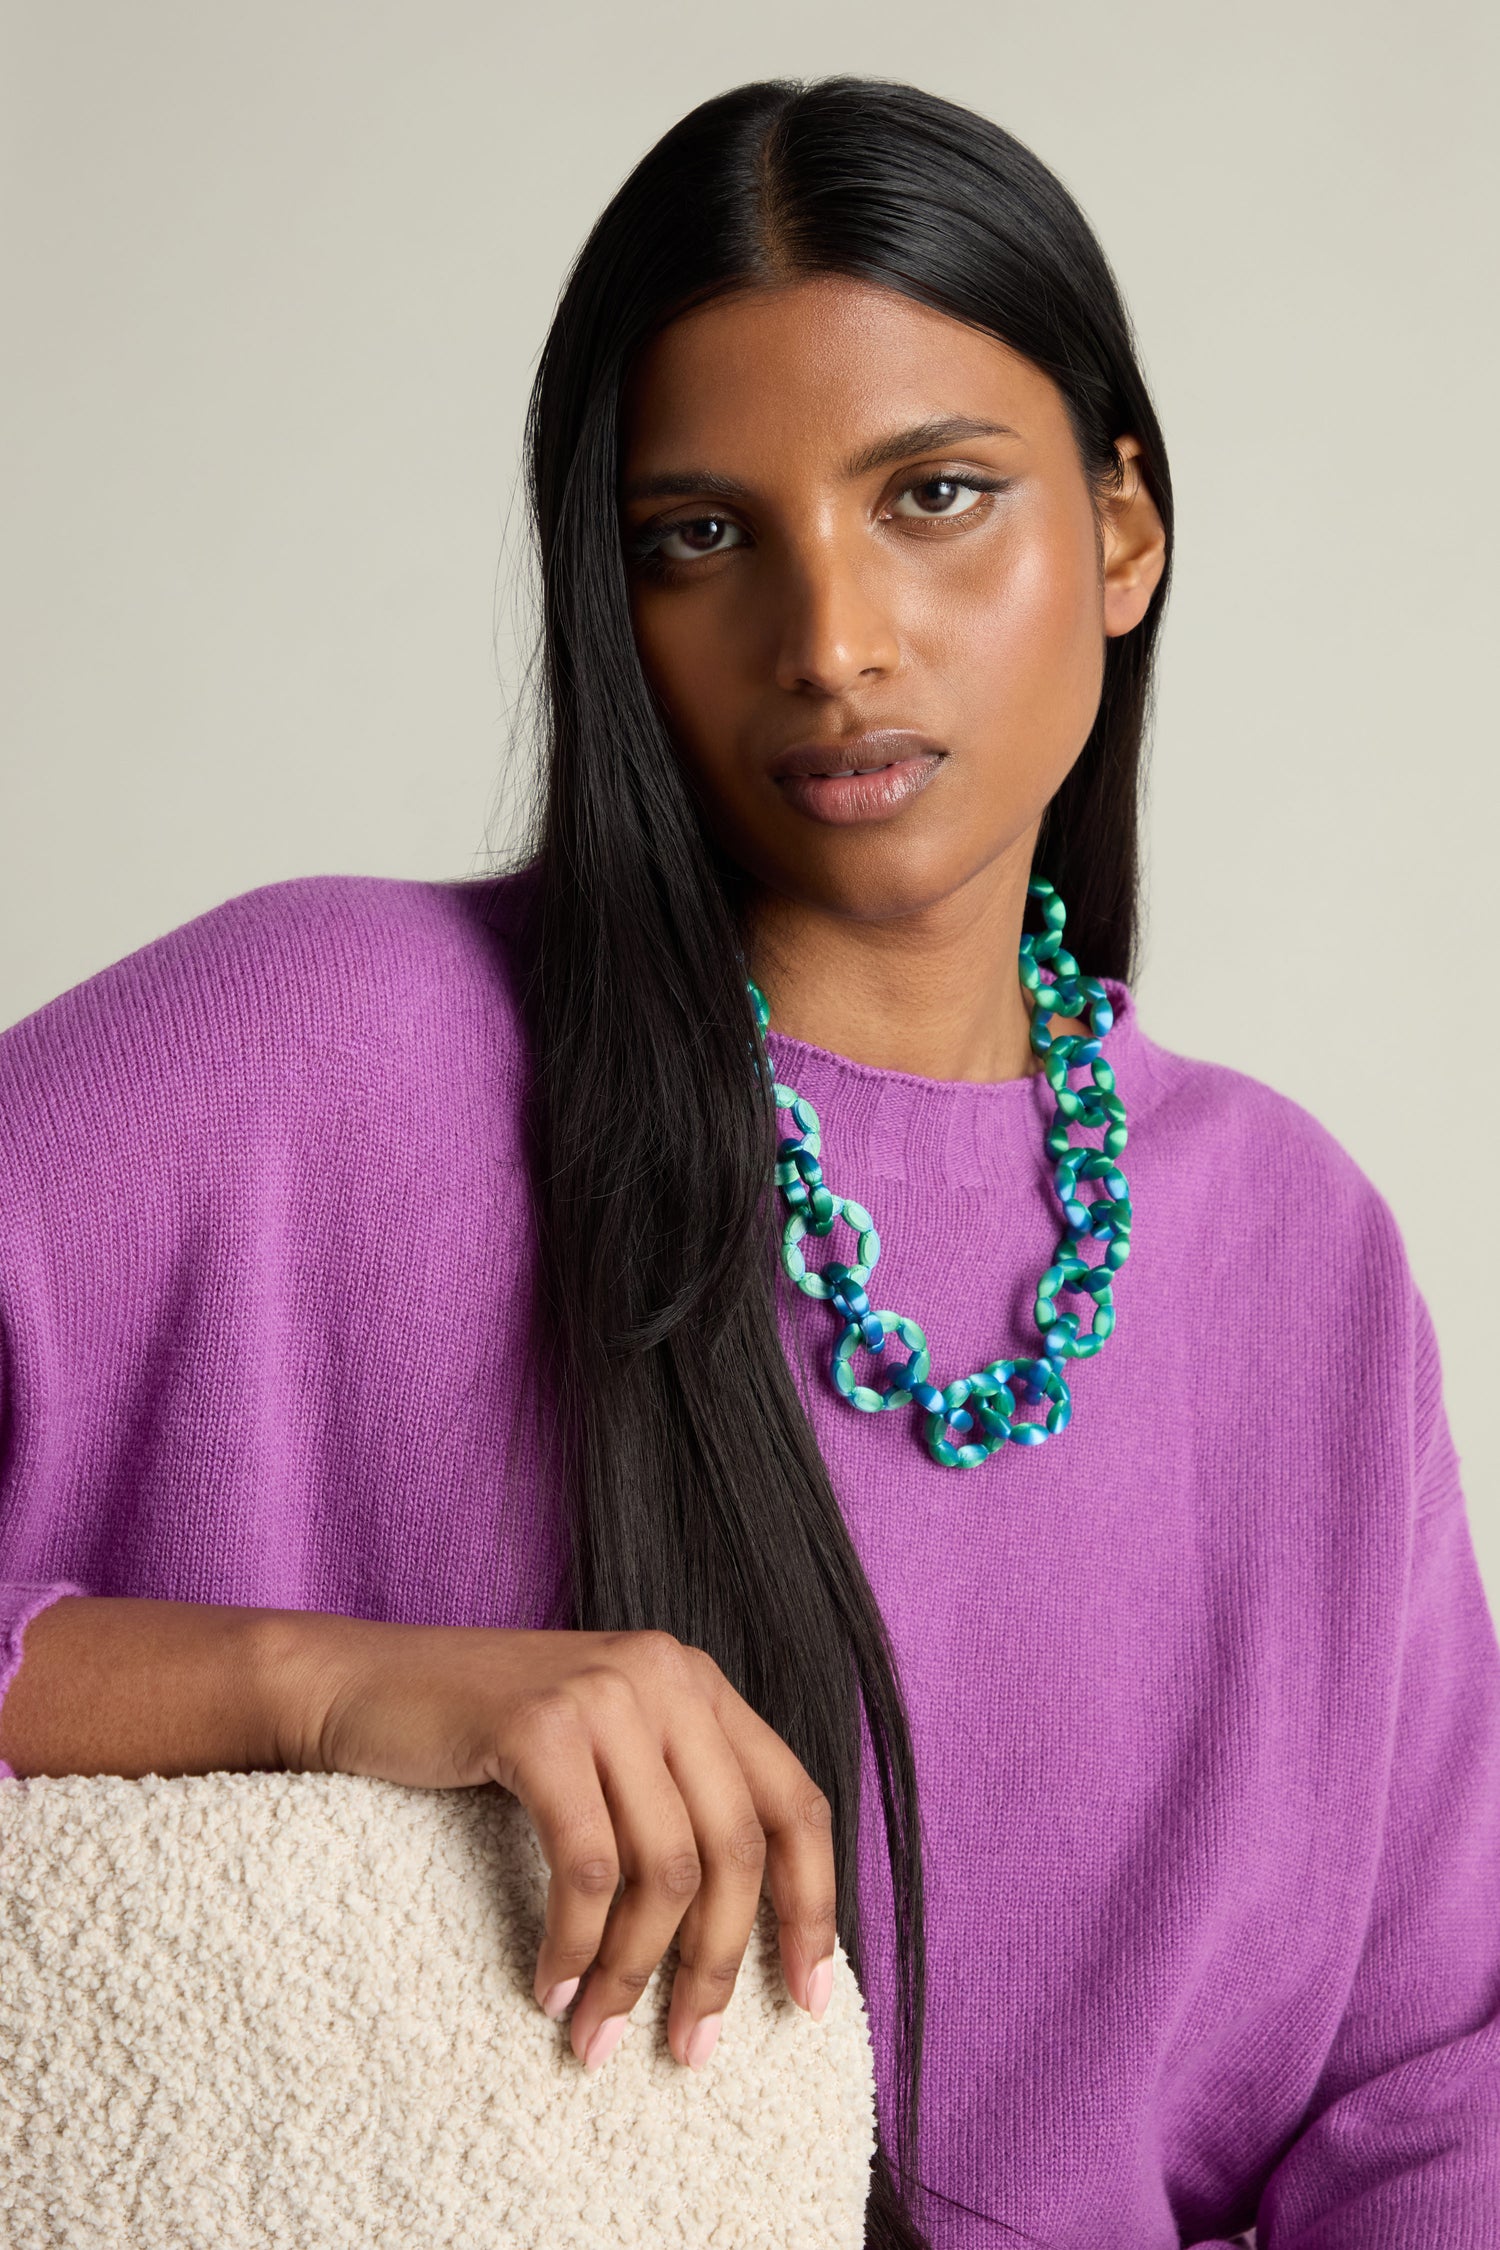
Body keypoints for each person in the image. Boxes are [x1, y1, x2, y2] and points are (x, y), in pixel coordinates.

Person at [0, 75, 1496, 2250]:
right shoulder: (321, 1051)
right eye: (701, 535)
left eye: (938, 496)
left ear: (1126, 529)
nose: (831, 641)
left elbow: (1429, 2086)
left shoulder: (1295, 1250)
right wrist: (320, 1687)